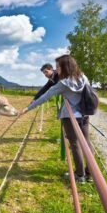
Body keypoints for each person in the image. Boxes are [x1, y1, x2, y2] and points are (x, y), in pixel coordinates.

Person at [20, 54, 94, 183]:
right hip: (84, 114)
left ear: (65, 67)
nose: (56, 70)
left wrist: (28, 108)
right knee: (87, 143)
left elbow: (46, 96)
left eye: (58, 67)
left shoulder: (63, 83)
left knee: (75, 144)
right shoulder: (83, 77)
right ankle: (90, 174)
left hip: (70, 117)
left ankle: (80, 175)